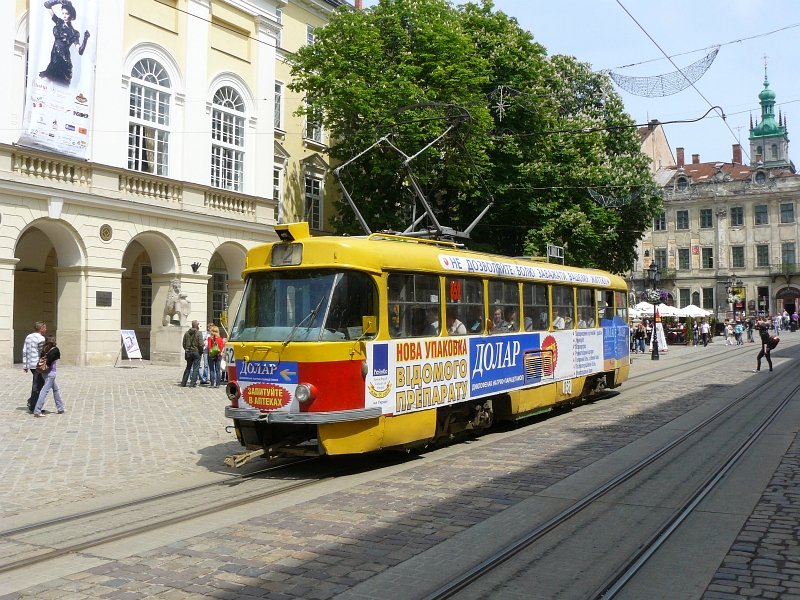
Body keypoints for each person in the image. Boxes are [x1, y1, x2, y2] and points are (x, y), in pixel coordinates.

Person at [38, 1, 90, 87]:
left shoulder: (74, 33)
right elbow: (47, 5)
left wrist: (85, 39)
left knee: (59, 93)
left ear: (72, 16)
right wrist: (58, 1)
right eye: (63, 13)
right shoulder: (59, 22)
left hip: (63, 64)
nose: (65, 16)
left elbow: (80, 51)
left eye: (67, 13)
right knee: (43, 85)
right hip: (54, 62)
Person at [33, 336, 64, 417]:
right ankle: (37, 410)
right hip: (51, 373)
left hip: (44, 372)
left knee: (56, 389)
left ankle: (60, 408)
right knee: (45, 391)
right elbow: (54, 358)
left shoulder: (44, 349)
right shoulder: (55, 350)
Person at [23, 321, 47, 413]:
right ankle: (33, 405)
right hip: (37, 364)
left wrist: (25, 365)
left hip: (31, 364)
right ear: (41, 328)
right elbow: (42, 353)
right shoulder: (41, 339)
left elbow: (24, 350)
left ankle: (32, 401)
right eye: (45, 328)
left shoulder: (28, 337)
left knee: (39, 383)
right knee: (37, 385)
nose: (46, 329)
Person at [181, 320, 204, 387]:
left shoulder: (187, 333)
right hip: (196, 352)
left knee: (188, 367)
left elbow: (184, 343)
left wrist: (186, 349)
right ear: (197, 325)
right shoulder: (199, 333)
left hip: (189, 352)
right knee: (196, 368)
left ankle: (183, 382)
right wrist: (201, 351)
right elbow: (201, 344)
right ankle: (192, 383)